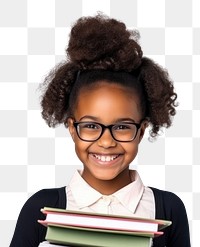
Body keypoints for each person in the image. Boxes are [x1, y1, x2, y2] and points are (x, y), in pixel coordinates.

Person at [10, 14, 191, 247]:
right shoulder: (42, 207)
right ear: (72, 129)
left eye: (123, 127)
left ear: (142, 130)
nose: (106, 142)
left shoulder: (168, 208)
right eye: (91, 126)